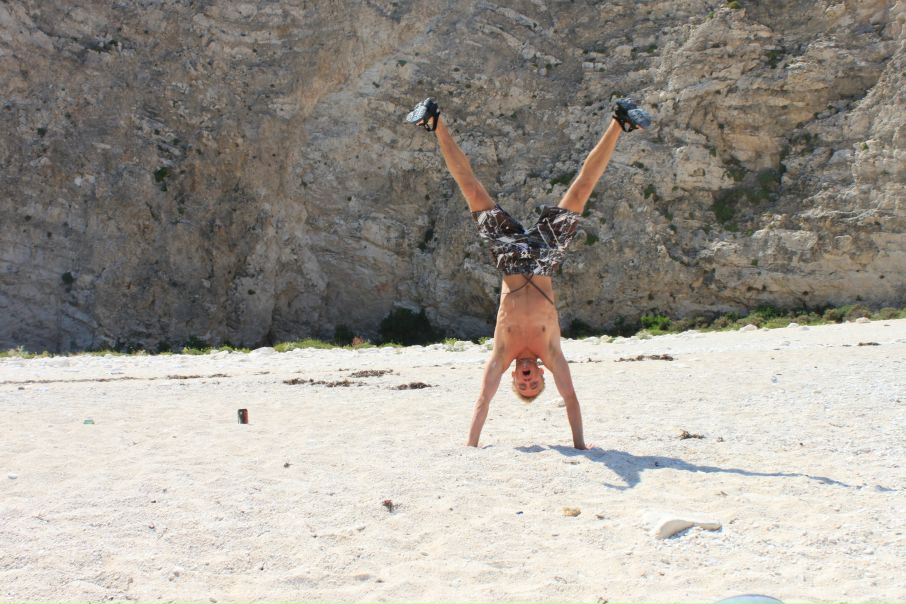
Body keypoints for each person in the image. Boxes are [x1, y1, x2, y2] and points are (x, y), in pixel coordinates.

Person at [406, 96, 651, 449]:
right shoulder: (551, 354)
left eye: (523, 385)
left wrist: (471, 445)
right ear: (540, 375)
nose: (527, 381)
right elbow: (571, 399)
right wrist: (580, 446)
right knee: (581, 189)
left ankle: (434, 121)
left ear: (514, 379)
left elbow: (483, 400)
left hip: (508, 258)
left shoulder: (501, 355)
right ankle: (620, 121)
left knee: (471, 189)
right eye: (533, 384)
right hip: (544, 259)